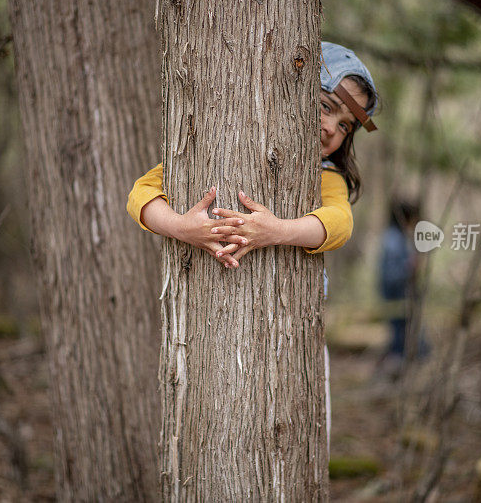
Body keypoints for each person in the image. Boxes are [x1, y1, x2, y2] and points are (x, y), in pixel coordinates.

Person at [126, 41, 379, 448]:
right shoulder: (223, 143)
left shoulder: (326, 174)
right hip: (205, 319)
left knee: (304, 435)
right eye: (326, 106)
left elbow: (339, 223)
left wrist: (277, 231)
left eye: (347, 124)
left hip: (296, 330)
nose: (333, 128)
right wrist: (182, 227)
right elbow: (141, 193)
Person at [377, 199, 428, 378]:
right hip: (396, 297)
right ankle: (391, 377)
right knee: (400, 339)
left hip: (400, 295)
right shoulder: (393, 239)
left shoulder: (397, 237)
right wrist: (410, 266)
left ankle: (398, 376)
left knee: (403, 337)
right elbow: (390, 274)